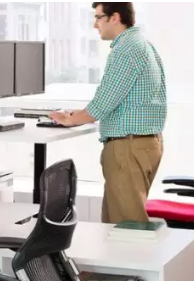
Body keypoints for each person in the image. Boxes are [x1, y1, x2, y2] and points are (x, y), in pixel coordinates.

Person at [49, 2, 166, 224]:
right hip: (145, 144)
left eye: (98, 17)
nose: (95, 24)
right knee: (119, 220)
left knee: (126, 226)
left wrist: (70, 119)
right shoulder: (143, 44)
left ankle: (132, 260)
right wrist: (79, 114)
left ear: (115, 17)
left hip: (128, 148)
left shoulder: (126, 50)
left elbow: (104, 102)